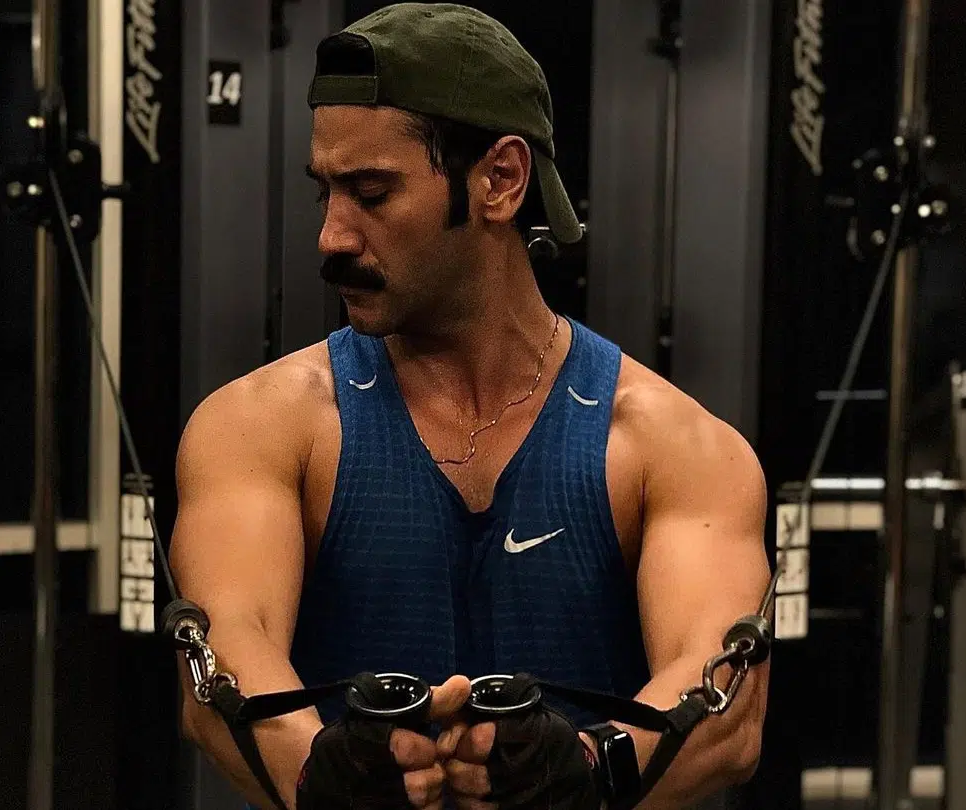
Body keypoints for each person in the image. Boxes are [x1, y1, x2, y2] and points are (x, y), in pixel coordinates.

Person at [170, 4, 771, 809]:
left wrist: (588, 771)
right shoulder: (260, 428)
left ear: (500, 180)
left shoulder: (672, 447)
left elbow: (726, 710)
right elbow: (221, 668)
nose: (331, 237)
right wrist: (323, 774)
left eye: (372, 192)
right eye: (326, 193)